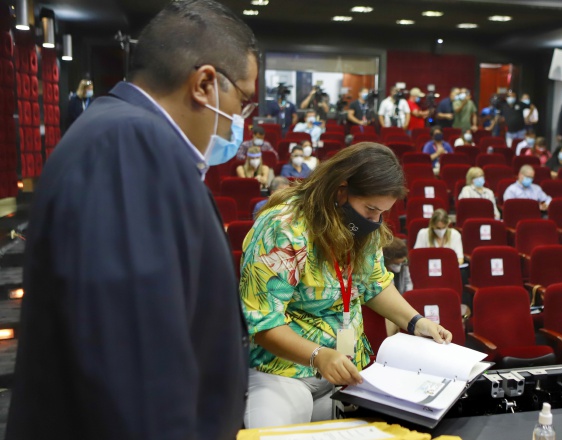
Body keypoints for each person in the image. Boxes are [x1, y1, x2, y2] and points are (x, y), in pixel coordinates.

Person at [7, 1, 257, 438]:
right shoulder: (129, 145)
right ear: (204, 85)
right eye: (244, 100)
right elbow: (140, 365)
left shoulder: (121, 134)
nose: (241, 122)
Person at [241, 143, 451, 428]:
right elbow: (264, 324)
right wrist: (318, 356)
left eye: (382, 213)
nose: (375, 221)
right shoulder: (283, 227)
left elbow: (375, 284)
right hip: (284, 372)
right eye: (370, 209)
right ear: (340, 191)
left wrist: (416, 322)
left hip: (348, 370)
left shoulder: (363, 229)